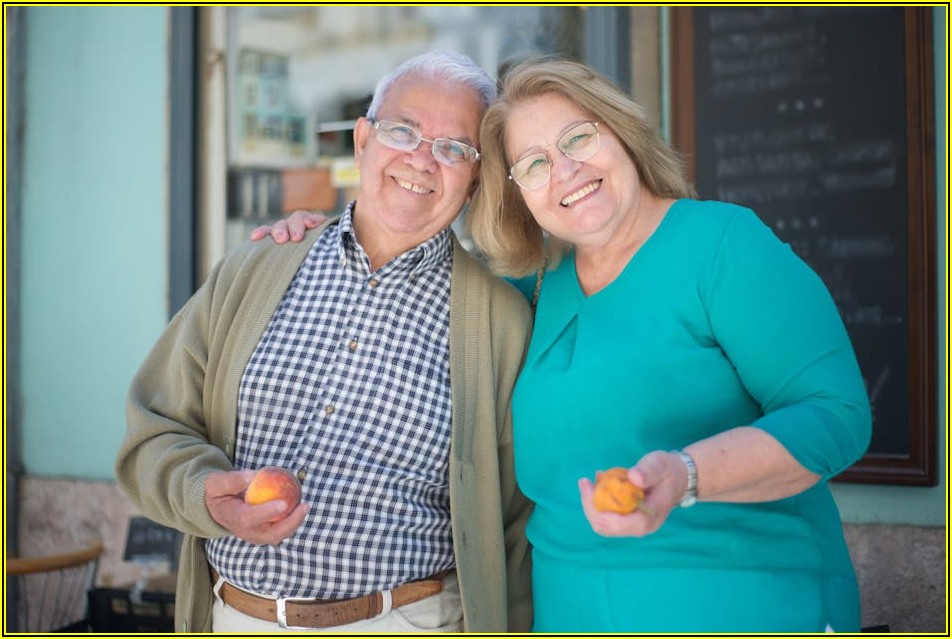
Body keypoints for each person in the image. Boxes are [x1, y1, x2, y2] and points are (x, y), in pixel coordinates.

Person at [259, 58, 872, 633]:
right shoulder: (530, 286)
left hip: (744, 603)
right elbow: (403, 275)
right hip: (568, 614)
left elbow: (836, 416)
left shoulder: (720, 244)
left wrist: (687, 475)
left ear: (622, 132)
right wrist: (321, 236)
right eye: (533, 163)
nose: (566, 172)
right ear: (517, 193)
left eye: (578, 138)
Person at [116, 51, 533, 634]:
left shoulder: (502, 323)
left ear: (476, 178)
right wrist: (203, 492)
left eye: (453, 148)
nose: (421, 159)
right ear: (362, 140)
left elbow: (515, 524)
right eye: (402, 130)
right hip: (233, 618)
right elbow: (155, 428)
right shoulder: (253, 270)